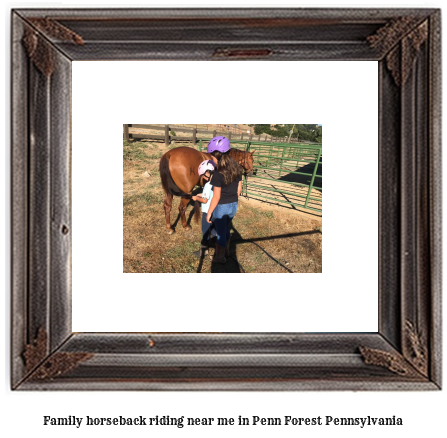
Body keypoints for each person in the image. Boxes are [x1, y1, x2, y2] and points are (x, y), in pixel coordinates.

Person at [206, 136, 243, 264]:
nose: (211, 159)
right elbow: (239, 189)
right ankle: (226, 251)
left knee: (221, 233)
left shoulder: (217, 174)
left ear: (217, 155)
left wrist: (209, 212)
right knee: (226, 228)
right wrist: (233, 199)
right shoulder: (237, 168)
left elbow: (216, 197)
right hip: (234, 205)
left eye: (212, 156)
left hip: (221, 207)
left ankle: (219, 257)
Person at [191, 160, 216, 258]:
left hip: (207, 212)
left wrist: (196, 198)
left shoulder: (208, 184)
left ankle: (203, 251)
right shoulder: (216, 183)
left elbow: (205, 200)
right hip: (214, 211)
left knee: (205, 230)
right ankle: (215, 247)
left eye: (203, 176)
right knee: (214, 231)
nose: (203, 178)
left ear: (207, 173)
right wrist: (200, 194)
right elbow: (209, 195)